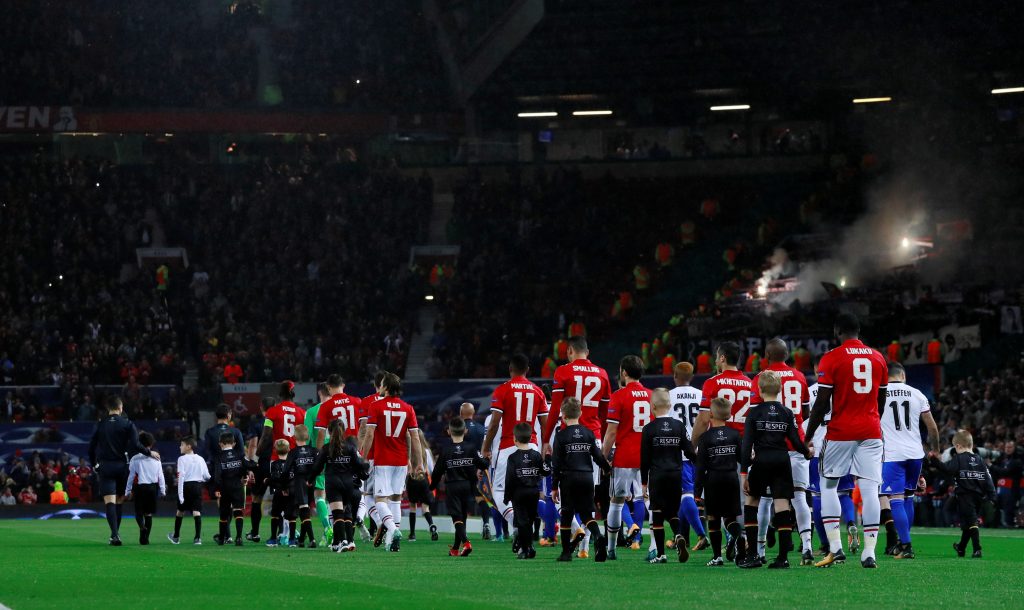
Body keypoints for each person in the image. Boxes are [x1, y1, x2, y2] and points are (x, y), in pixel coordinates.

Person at [804, 313, 888, 568]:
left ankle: (836, 548)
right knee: (870, 488)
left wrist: (808, 435)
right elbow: (880, 400)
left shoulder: (832, 358)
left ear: (837, 331)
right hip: (871, 431)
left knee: (828, 487)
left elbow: (820, 404)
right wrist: (872, 420)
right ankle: (869, 552)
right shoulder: (878, 357)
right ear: (859, 330)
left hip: (840, 431)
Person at [738, 371, 811, 569]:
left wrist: (744, 473)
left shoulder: (754, 412)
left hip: (762, 460)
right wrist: (807, 453)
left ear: (760, 390)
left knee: (752, 502)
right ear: (779, 391)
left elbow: (747, 445)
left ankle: (753, 554)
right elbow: (795, 441)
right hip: (781, 460)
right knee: (782, 506)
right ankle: (782, 558)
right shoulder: (787, 412)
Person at [750, 338, 813, 564]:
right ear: (787, 355)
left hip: (769, 447)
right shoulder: (799, 377)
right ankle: (807, 546)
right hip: (795, 444)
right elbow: (805, 414)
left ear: (766, 354)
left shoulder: (761, 378)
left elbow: (756, 416)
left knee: (766, 500)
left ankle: (760, 550)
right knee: (798, 498)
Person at [484, 353, 549, 551]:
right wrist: (545, 446)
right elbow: (545, 424)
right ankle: (529, 530)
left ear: (510, 369)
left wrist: (485, 447)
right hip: (533, 447)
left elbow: (495, 423)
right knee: (531, 493)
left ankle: (516, 522)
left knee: (498, 492)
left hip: (508, 448)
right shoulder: (538, 391)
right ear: (527, 370)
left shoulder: (503, 390)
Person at [879, 362, 939, 559]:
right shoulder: (917, 393)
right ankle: (902, 541)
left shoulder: (879, 394)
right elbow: (931, 427)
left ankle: (906, 545)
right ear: (903, 375)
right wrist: (935, 450)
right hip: (915, 454)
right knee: (908, 498)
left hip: (892, 454)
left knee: (895, 500)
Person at [360, 372, 422, 552]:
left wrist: (363, 457)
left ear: (385, 387)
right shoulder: (408, 408)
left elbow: (370, 433)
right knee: (395, 499)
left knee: (380, 500)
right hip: (401, 460)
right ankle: (392, 541)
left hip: (383, 460)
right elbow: (415, 438)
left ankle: (393, 530)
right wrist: (418, 463)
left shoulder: (376, 406)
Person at [88, 395, 157, 546]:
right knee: (119, 501)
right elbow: (136, 444)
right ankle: (115, 534)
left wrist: (94, 464)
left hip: (105, 467)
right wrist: (149, 452)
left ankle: (114, 535)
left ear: (108, 409)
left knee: (109, 502)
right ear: (121, 408)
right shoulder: (127, 424)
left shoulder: (100, 424)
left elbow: (91, 447)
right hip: (121, 467)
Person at [602, 355, 652, 561]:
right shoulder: (652, 395)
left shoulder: (619, 396)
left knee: (616, 501)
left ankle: (612, 548)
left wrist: (603, 456)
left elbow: (611, 432)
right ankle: (654, 548)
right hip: (648, 455)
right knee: (649, 501)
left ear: (623, 372)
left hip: (624, 456)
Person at [551, 397, 611, 562]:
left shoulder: (561, 436)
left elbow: (556, 463)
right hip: (586, 477)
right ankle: (598, 536)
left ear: (563, 415)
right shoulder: (588, 433)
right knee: (586, 514)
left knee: (567, 514)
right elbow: (598, 456)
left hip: (568, 477)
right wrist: (607, 469)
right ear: (581, 413)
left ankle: (566, 553)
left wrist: (554, 486)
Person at [640, 388, 696, 564]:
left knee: (657, 513)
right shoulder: (679, 426)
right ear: (670, 405)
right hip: (676, 474)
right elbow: (689, 451)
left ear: (652, 406)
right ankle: (679, 535)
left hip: (657, 475)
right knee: (672, 512)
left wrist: (643, 483)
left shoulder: (648, 429)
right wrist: (702, 465)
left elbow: (644, 459)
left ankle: (661, 554)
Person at [930, 430, 996, 558]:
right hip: (979, 496)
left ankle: (977, 549)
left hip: (965, 495)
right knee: (967, 524)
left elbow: (948, 470)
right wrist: (992, 496)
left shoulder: (959, 458)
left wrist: (934, 461)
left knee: (971, 521)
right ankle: (961, 547)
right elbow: (988, 479)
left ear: (958, 446)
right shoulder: (980, 460)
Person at [694, 397, 743, 566]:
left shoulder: (705, 438)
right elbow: (742, 459)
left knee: (713, 518)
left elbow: (700, 467)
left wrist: (697, 492)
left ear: (711, 414)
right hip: (731, 478)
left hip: (713, 479)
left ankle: (717, 557)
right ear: (729, 415)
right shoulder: (735, 435)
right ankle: (738, 535)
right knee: (730, 517)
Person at [430, 417, 489, 557]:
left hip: (453, 486)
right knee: (462, 517)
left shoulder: (445, 450)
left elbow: (437, 472)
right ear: (466, 431)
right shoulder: (471, 448)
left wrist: (432, 486)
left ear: (449, 431)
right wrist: (487, 459)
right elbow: (483, 465)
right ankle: (455, 549)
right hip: (469, 486)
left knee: (456, 517)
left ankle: (466, 543)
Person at [309, 419, 369, 552]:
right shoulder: (350, 448)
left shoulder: (326, 448)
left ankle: (341, 541)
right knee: (347, 515)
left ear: (329, 432)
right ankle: (343, 542)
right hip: (348, 484)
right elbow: (359, 465)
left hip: (333, 483)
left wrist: (310, 479)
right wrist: (366, 469)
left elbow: (317, 467)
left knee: (337, 515)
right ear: (344, 431)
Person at [669, 362, 708, 552]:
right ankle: (681, 537)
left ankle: (701, 534)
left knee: (686, 494)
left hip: (680, 450)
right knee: (689, 494)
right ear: (692, 376)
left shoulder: (669, 396)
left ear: (675, 375)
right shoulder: (701, 394)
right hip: (701, 450)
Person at [503, 422, 551, 560]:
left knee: (522, 522)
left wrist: (507, 496)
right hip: (533, 492)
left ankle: (525, 549)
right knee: (529, 521)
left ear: (515, 439)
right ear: (530, 438)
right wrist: (547, 458)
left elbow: (509, 478)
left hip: (519, 493)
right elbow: (546, 471)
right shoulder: (536, 455)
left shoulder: (512, 457)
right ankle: (529, 546)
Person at [212, 432, 256, 547]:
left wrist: (217, 488)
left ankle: (221, 539)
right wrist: (248, 472)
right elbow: (247, 465)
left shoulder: (219, 456)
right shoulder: (239, 454)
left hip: (225, 488)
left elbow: (217, 474)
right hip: (238, 486)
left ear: (220, 444)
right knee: (238, 512)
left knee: (224, 514)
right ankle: (239, 538)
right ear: (234, 443)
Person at [304, 383, 333, 545]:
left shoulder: (312, 412)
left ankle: (328, 528)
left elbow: (306, 438)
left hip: (321, 455)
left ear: (319, 393)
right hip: (341, 456)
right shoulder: (337, 409)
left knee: (320, 496)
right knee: (336, 497)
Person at [125, 431, 165, 545]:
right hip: (152, 488)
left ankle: (142, 528)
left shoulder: (135, 459)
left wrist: (127, 491)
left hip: (140, 487)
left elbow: (131, 476)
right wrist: (163, 489)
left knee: (138, 513)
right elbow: (160, 475)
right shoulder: (156, 458)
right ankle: (145, 538)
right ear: (151, 444)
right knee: (148, 514)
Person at [283, 425, 320, 548]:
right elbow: (318, 468)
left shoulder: (293, 452)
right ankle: (301, 541)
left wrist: (284, 487)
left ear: (294, 437)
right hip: (311, 482)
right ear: (308, 437)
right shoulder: (314, 451)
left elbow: (285, 470)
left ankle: (312, 539)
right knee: (306, 510)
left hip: (299, 482)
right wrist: (312, 479)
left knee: (304, 510)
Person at [169, 436, 209, 545]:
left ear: (188, 446)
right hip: (197, 486)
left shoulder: (181, 459)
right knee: (196, 511)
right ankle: (197, 538)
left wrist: (180, 494)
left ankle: (176, 537)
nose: (180, 446)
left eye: (182, 444)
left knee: (180, 511)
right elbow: (207, 476)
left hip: (186, 486)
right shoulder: (201, 459)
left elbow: (180, 477)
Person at [246, 397, 275, 543]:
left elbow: (253, 445)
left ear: (261, 407)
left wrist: (251, 464)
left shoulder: (257, 424)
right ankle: (282, 533)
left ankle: (255, 533)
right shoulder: (279, 422)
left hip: (261, 465)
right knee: (280, 499)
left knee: (257, 499)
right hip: (277, 464)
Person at [256, 381, 307, 462]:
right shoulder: (303, 413)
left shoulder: (271, 412)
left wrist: (257, 455)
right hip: (297, 458)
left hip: (278, 458)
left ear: (280, 394)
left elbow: (266, 436)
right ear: (293, 394)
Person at [406, 429, 437, 542]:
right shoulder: (427, 451)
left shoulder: (408, 451)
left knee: (413, 506)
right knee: (425, 507)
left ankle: (412, 534)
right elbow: (431, 469)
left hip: (412, 479)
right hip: (423, 479)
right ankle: (432, 526)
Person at [265, 440, 295, 547]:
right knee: (292, 516)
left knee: (275, 514)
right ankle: (292, 540)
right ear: (289, 449)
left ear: (276, 450)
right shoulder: (292, 464)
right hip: (291, 492)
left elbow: (275, 478)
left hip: (278, 492)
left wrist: (267, 481)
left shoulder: (274, 464)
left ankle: (273, 538)